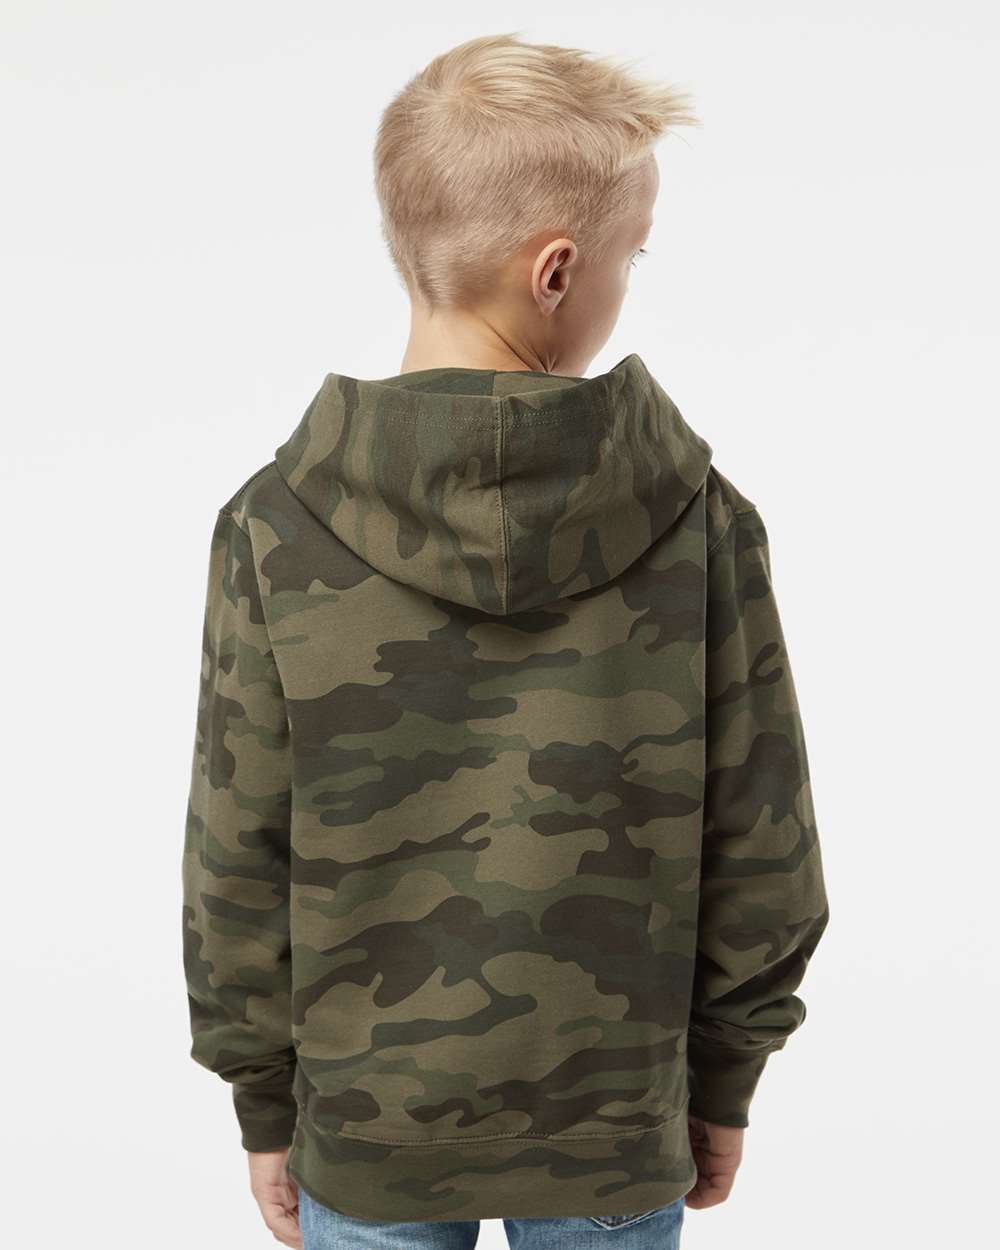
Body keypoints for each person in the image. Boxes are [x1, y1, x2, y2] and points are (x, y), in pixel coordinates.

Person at [180, 31, 830, 1250]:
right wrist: (724, 1073)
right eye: (633, 255)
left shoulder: (273, 526)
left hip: (368, 1132)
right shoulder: (699, 521)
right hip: (612, 1124)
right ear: (556, 271)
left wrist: (264, 1098)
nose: (629, 283)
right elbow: (765, 842)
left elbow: (236, 854)